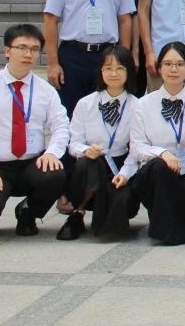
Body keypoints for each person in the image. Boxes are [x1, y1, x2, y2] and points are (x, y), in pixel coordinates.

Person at [0, 24, 69, 237]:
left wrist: (52, 153)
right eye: (22, 48)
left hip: (31, 164)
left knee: (55, 174)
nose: (28, 54)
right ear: (7, 51)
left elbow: (61, 125)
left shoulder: (46, 90)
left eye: (34, 49)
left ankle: (27, 213)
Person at [130, 41, 185, 245]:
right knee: (160, 168)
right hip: (154, 172)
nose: (173, 69)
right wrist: (162, 153)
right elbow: (137, 147)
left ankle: (181, 225)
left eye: (179, 64)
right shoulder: (143, 104)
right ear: (159, 68)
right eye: (167, 64)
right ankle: (166, 233)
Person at [58, 45, 140, 240]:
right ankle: (77, 213)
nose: (114, 73)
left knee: (122, 213)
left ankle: (108, 216)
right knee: (90, 164)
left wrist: (125, 173)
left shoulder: (137, 106)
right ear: (100, 71)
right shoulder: (86, 104)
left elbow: (137, 149)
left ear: (129, 71)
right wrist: (86, 150)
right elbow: (73, 143)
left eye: (120, 68)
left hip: (121, 165)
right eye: (108, 68)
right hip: (91, 163)